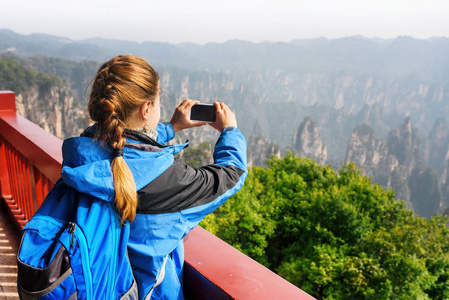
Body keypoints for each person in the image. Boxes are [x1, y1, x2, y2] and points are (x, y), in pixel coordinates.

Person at [62, 55, 247, 299]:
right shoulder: (168, 182)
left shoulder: (81, 154)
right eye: (158, 103)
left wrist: (171, 127)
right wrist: (230, 130)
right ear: (147, 108)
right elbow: (231, 175)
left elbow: (125, 145)